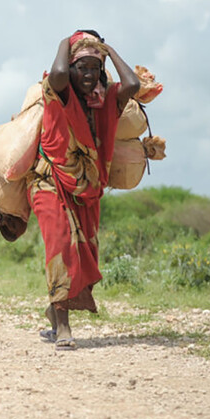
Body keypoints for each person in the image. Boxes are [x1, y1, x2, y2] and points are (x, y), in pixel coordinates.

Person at [31, 30, 139, 350]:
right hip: (49, 180)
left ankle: (54, 310)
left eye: (95, 68)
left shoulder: (107, 101)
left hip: (87, 189)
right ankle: (63, 327)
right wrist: (67, 41)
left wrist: (106, 50)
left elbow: (133, 84)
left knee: (84, 255)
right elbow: (60, 72)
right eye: (83, 67)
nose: (89, 75)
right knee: (62, 247)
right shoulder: (58, 92)